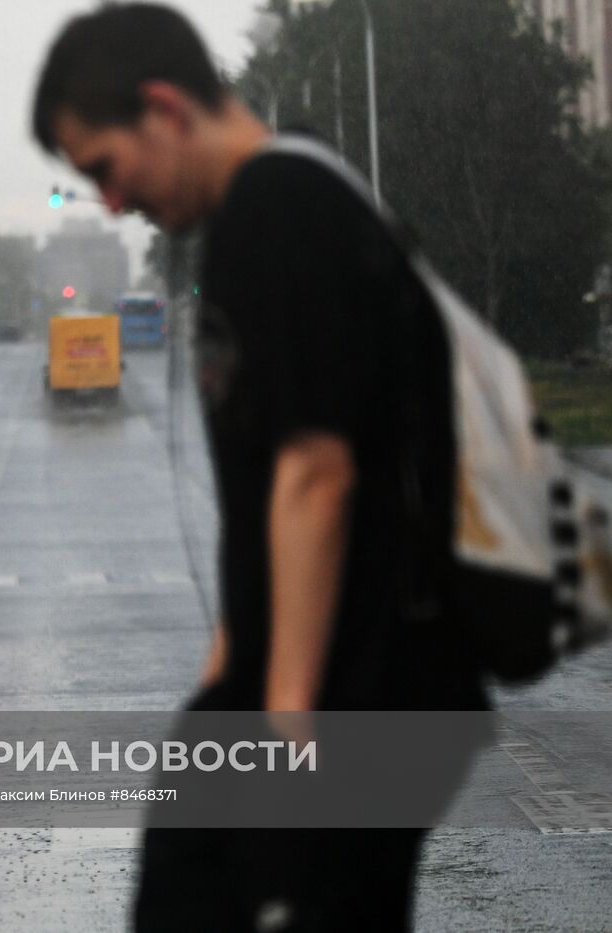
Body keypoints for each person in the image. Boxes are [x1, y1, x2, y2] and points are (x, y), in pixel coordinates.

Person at [33, 5, 487, 930]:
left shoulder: (274, 210)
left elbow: (317, 469)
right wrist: (232, 666)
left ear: (163, 108)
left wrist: (282, 725)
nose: (112, 202)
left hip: (349, 696)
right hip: (347, 691)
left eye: (104, 169)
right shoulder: (302, 193)